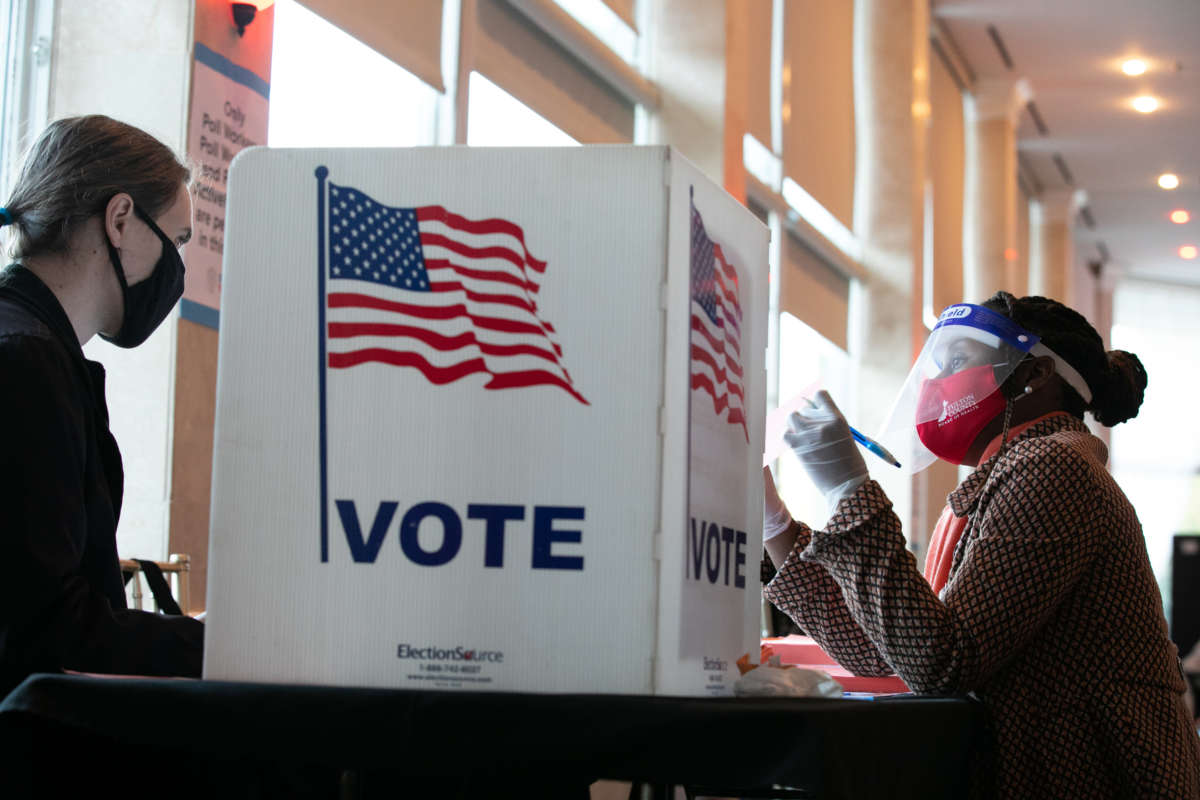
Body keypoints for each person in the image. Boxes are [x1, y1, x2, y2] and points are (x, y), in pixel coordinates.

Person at [762, 293, 1200, 798]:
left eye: (956, 362)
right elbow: (890, 653)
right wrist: (776, 524)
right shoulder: (1009, 476)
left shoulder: (1053, 467)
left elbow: (940, 663)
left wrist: (849, 492)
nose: (934, 381)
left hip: (1095, 775)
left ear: (1032, 375)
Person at [0, 115, 203, 694]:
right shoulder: (25, 361)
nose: (177, 266)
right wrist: (215, 645)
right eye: (178, 240)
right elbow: (50, 630)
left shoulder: (37, 351)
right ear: (119, 219)